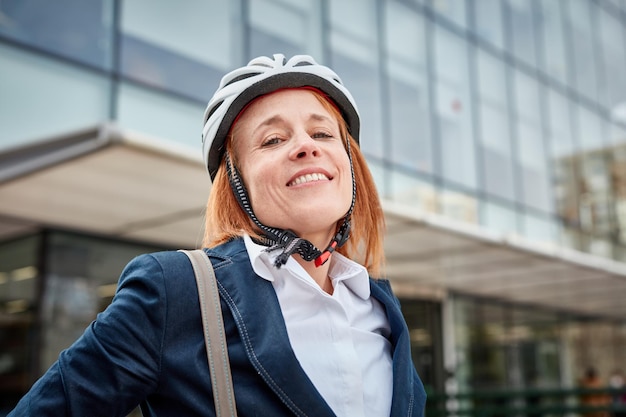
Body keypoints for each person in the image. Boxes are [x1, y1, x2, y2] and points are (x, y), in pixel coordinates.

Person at [7, 54, 426, 416]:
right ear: (236, 184)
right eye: (273, 139)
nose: (306, 146)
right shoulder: (175, 292)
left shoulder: (379, 307)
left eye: (321, 133)